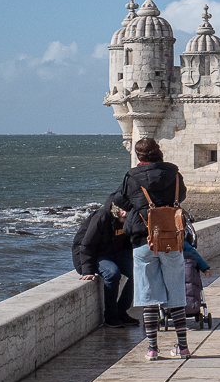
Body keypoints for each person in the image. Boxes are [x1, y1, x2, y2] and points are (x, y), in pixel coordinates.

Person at [111, 138, 211, 361]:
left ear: (139, 156)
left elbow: (121, 200)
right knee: (176, 292)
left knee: (148, 295)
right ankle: (182, 347)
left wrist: (141, 205)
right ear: (159, 152)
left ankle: (152, 349)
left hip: (143, 239)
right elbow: (181, 196)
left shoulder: (132, 176)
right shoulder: (173, 173)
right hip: (171, 239)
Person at [72, 197, 138, 327]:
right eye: (124, 211)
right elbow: (86, 245)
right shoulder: (102, 216)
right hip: (95, 253)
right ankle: (110, 317)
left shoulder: (130, 220)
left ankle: (122, 311)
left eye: (129, 212)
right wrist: (87, 270)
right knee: (112, 273)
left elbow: (128, 241)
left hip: (115, 251)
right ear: (118, 209)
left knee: (135, 271)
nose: (126, 214)